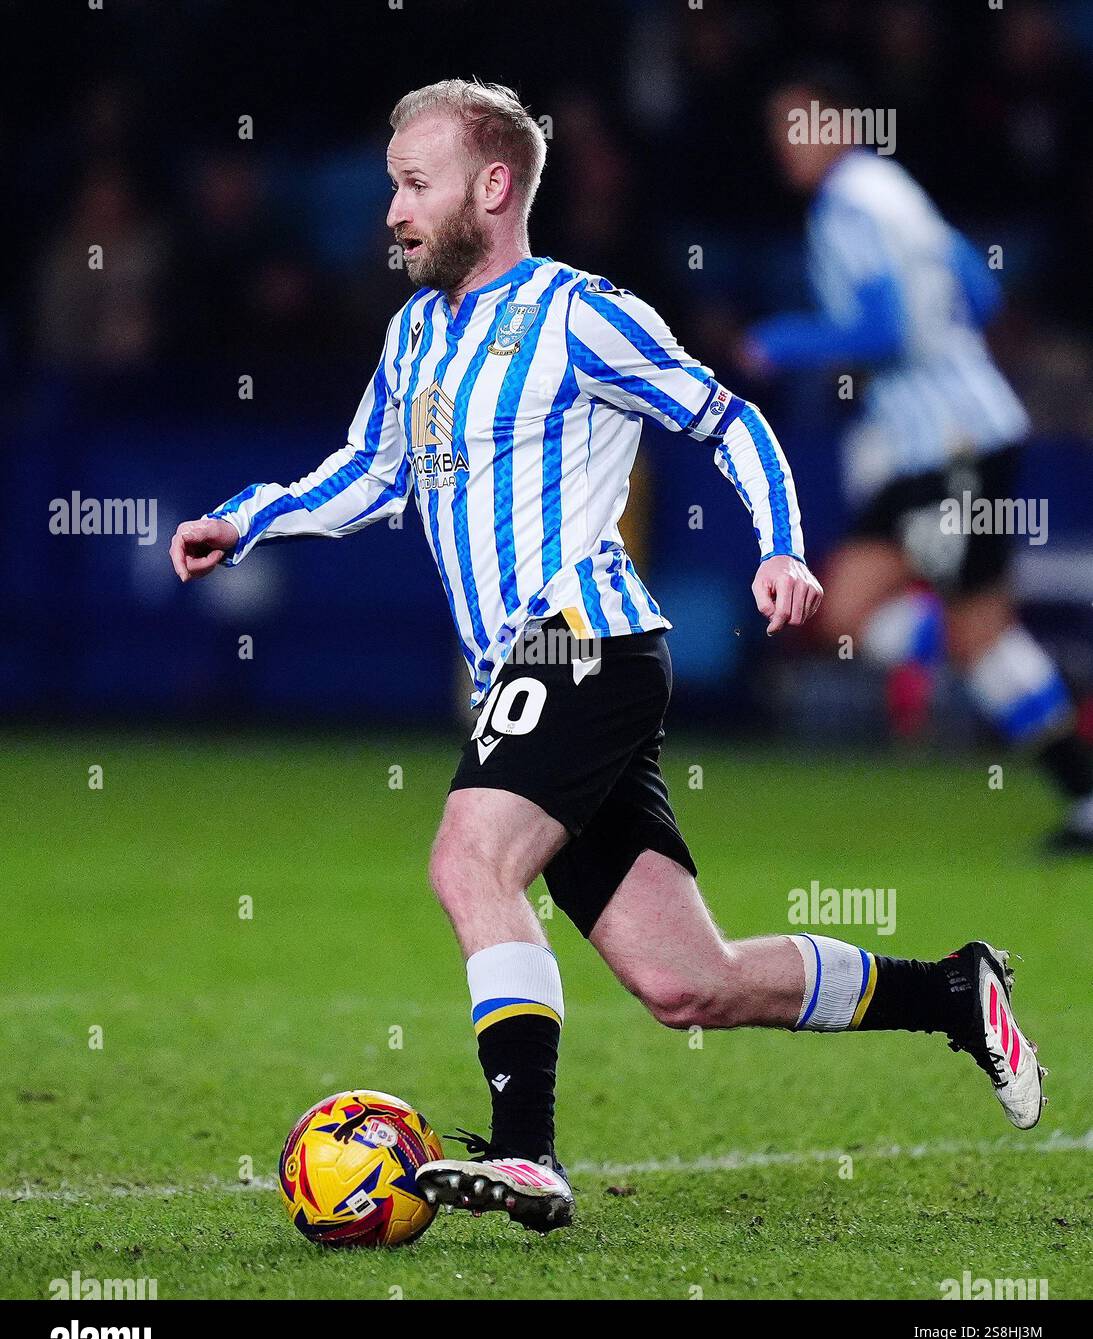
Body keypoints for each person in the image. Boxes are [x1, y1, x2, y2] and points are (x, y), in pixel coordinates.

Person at [171, 80, 1044, 1235]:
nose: (390, 211)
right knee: (691, 980)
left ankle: (526, 1152)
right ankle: (952, 992)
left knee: (466, 860)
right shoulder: (417, 331)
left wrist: (779, 547)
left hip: (583, 639)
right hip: (520, 668)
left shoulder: (582, 315)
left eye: (413, 185)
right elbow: (371, 471)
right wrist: (250, 516)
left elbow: (728, 418)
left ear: (492, 188)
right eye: (390, 184)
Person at [743, 72, 1093, 854]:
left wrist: (782, 342)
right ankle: (1084, 798)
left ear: (837, 124)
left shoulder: (846, 206)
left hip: (947, 443)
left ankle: (967, 662)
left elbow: (884, 331)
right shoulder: (895, 189)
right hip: (961, 432)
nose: (782, 146)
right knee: (981, 637)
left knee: (843, 613)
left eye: (794, 125)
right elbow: (978, 289)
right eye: (776, 128)